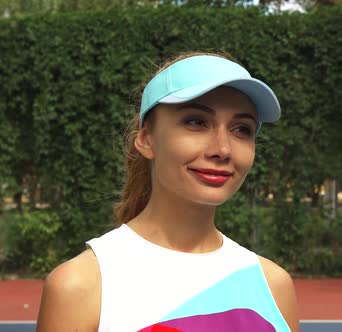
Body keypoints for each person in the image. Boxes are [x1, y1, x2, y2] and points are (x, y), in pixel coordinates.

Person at [36, 52, 300, 332]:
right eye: (196, 122)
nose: (223, 149)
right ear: (146, 139)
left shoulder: (275, 286)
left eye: (242, 129)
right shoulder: (79, 286)